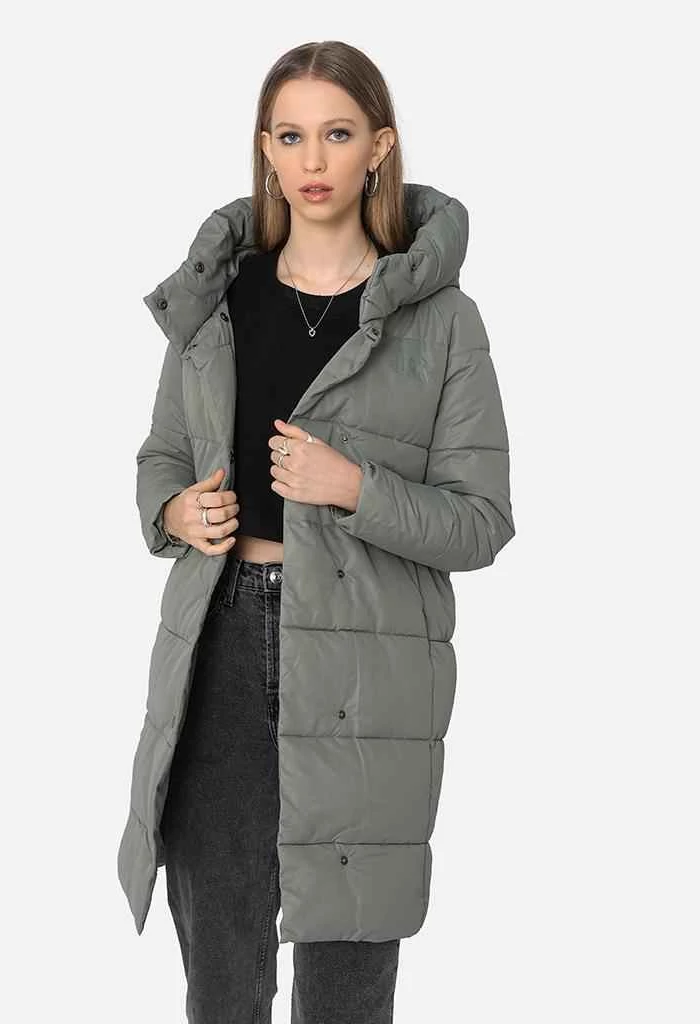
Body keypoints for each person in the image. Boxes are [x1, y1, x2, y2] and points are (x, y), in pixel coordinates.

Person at [118, 39, 515, 1024]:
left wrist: (355, 489)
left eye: (337, 134)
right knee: (221, 983)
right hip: (216, 648)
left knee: (344, 992)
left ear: (379, 148)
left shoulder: (441, 321)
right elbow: (161, 457)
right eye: (290, 136)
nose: (313, 160)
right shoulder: (218, 300)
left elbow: (481, 521)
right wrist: (174, 511)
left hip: (364, 669)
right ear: (265, 148)